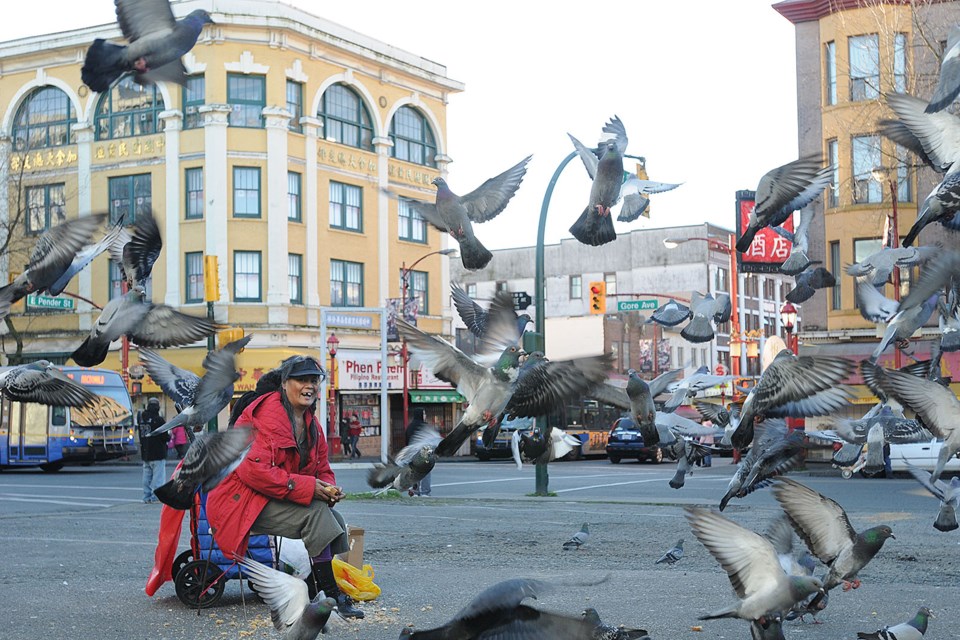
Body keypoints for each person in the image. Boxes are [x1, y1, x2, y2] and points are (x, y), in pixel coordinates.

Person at [206, 356, 364, 619]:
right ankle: (331, 596)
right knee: (316, 514)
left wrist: (329, 488)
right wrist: (310, 487)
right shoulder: (266, 416)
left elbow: (322, 466)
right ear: (284, 383)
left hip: (271, 496)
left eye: (314, 380)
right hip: (239, 500)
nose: (309, 386)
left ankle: (318, 589)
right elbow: (253, 472)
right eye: (302, 379)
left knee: (332, 515)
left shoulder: (311, 421)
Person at [138, 398, 168, 503]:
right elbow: (165, 437)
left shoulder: (142, 419)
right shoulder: (159, 420)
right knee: (158, 478)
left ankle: (146, 496)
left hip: (145, 452)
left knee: (146, 477)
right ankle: (156, 497)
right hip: (158, 453)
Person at [404, 408, 432, 496]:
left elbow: (407, 441)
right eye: (424, 414)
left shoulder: (410, 427)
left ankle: (415, 492)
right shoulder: (424, 427)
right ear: (420, 415)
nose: (425, 416)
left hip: (412, 454)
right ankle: (425, 492)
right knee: (426, 473)